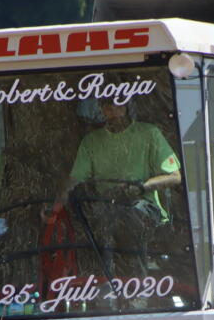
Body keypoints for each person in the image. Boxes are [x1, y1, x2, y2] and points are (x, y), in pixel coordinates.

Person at [44, 99, 182, 275]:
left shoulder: (149, 134)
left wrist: (142, 187)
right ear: (101, 108)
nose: (113, 110)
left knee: (124, 221)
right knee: (94, 231)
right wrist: (54, 210)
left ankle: (137, 289)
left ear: (126, 106)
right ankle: (105, 290)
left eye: (118, 104)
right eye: (108, 106)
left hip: (144, 208)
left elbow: (174, 177)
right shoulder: (91, 142)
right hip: (106, 209)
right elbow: (73, 180)